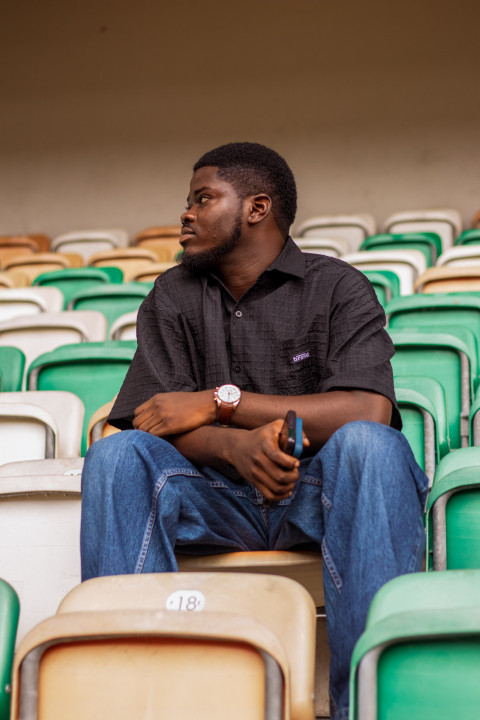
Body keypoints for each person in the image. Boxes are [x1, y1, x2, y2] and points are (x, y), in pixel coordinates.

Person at [80, 142, 428, 720]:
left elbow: (365, 411)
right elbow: (153, 419)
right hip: (212, 496)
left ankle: (370, 706)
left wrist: (222, 402)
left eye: (203, 199)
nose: (185, 214)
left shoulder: (337, 286)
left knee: (372, 447)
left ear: (257, 208)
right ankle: (134, 702)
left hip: (317, 490)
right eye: (188, 202)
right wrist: (234, 447)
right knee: (118, 457)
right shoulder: (172, 294)